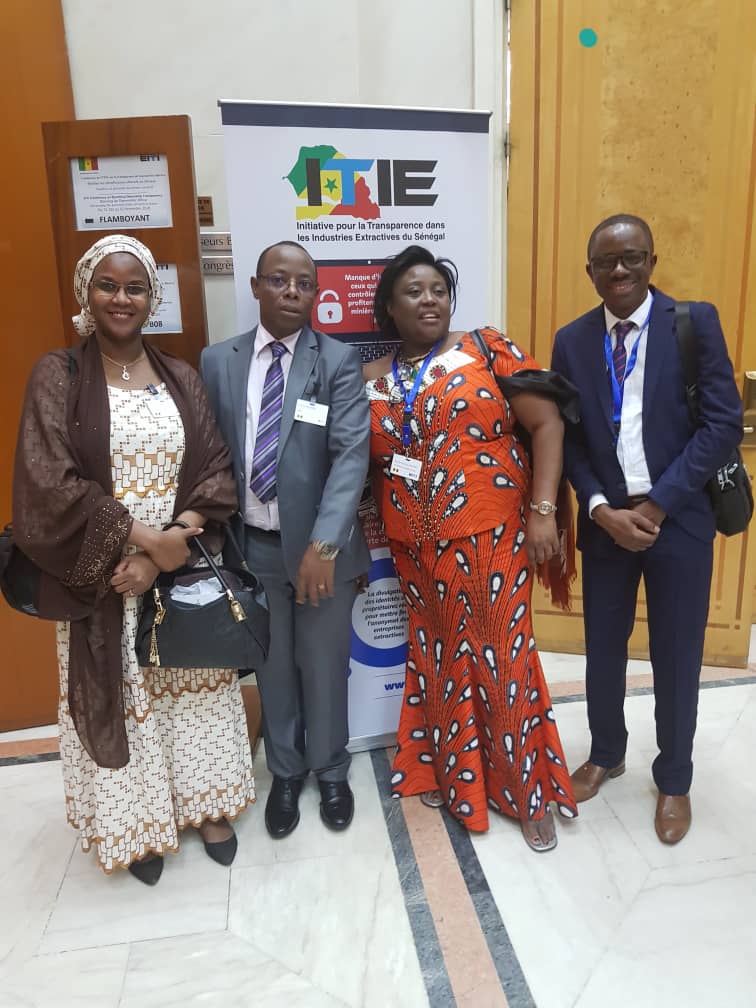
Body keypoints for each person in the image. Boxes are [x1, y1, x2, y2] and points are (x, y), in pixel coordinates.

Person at [12, 235, 255, 884]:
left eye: (136, 288)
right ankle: (139, 826)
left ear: (152, 298)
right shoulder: (58, 376)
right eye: (108, 285)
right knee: (127, 701)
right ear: (85, 293)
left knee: (192, 689)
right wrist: (142, 541)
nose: (122, 299)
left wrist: (172, 544)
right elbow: (49, 482)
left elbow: (214, 471)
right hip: (104, 577)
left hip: (178, 570)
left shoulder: (180, 375)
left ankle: (207, 807)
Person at [364, 245, 578, 851]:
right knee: (438, 658)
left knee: (502, 656)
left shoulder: (484, 347)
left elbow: (547, 423)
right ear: (389, 307)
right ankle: (449, 770)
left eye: (439, 290)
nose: (429, 300)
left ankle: (525, 790)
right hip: (415, 545)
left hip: (492, 536)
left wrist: (542, 512)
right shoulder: (371, 376)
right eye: (414, 292)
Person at [551, 214, 743, 844]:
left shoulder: (694, 323)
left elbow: (722, 424)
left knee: (677, 653)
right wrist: (599, 507)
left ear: (652, 262)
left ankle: (675, 779)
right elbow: (569, 439)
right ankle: (606, 753)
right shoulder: (572, 341)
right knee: (603, 647)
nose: (620, 270)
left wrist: (658, 505)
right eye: (606, 261)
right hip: (607, 523)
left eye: (632, 257)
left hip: (678, 521)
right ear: (590, 272)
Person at [200, 240, 370, 839]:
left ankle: (331, 770)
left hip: (321, 552)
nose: (291, 292)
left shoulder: (337, 360)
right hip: (252, 548)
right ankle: (287, 772)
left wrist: (324, 547)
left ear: (316, 293)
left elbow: (351, 456)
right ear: (255, 286)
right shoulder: (218, 360)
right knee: (271, 669)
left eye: (303, 283)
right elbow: (211, 452)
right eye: (278, 280)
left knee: (323, 664)